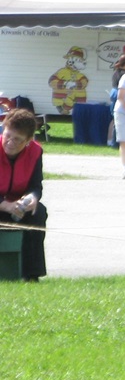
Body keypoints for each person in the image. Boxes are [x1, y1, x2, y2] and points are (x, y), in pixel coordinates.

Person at [0, 108, 47, 281]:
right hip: (2, 206)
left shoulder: (35, 152)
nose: (10, 142)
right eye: (7, 136)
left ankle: (32, 274)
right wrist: (6, 205)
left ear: (28, 141)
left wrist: (32, 199)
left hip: (18, 207)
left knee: (39, 212)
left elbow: (36, 186)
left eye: (17, 139)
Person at [108, 53, 125, 145]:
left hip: (114, 93)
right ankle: (115, 142)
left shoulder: (116, 72)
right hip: (120, 95)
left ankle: (110, 141)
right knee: (119, 120)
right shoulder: (124, 75)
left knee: (114, 119)